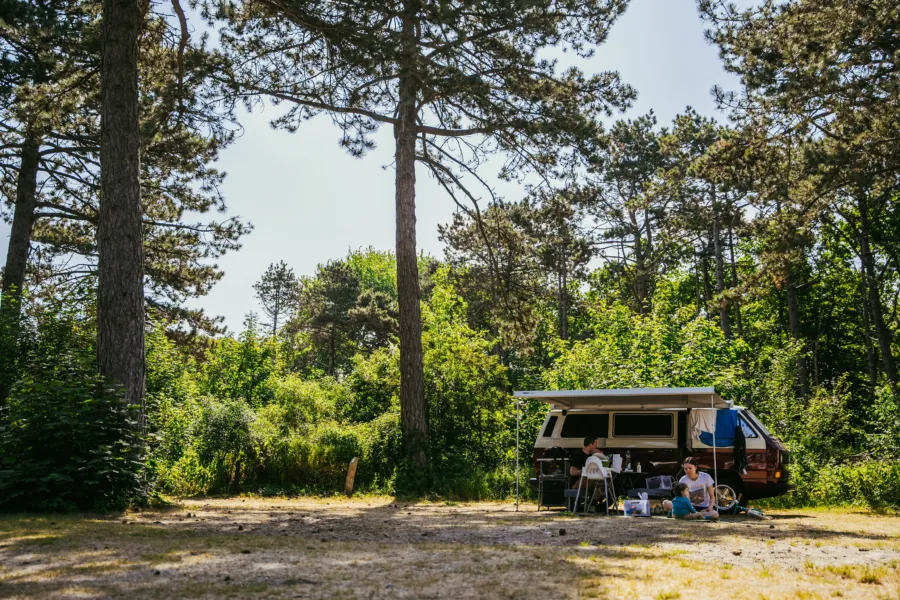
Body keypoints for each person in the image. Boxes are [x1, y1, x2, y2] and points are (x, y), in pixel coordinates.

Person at [569, 436, 608, 508]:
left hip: (592, 479)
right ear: (590, 444)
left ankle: (593, 505)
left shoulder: (593, 455)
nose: (596, 446)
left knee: (607, 483)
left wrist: (601, 454)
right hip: (579, 481)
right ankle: (590, 505)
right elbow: (572, 472)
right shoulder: (578, 455)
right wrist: (586, 471)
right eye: (595, 443)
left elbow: (606, 465)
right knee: (600, 483)